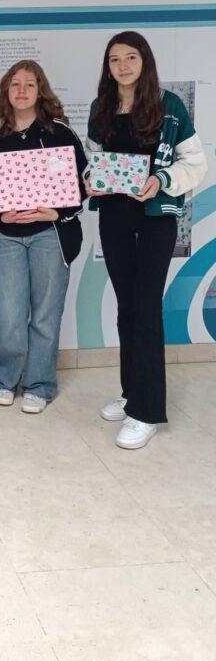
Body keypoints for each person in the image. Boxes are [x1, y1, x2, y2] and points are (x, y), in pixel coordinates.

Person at [86, 31, 206, 450]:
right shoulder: (101, 108)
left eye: (130, 57)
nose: (122, 66)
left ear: (145, 61)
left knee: (147, 308)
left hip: (155, 219)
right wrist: (90, 180)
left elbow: (196, 162)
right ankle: (131, 393)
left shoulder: (169, 106)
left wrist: (162, 180)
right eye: (114, 59)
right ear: (108, 67)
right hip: (114, 217)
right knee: (126, 307)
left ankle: (147, 412)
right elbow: (93, 160)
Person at [0, 60, 86, 414]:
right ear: (6, 90)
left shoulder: (60, 134)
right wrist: (0, 214)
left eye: (30, 84)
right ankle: (6, 379)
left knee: (45, 315)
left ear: (41, 90)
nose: (22, 90)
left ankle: (39, 385)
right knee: (8, 315)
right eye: (15, 84)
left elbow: (83, 185)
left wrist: (56, 213)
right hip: (8, 237)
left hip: (50, 235)